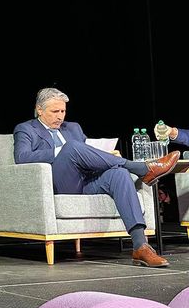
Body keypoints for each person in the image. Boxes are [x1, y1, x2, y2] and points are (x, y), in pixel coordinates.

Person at [13, 87, 180, 267]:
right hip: (59, 183)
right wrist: (59, 152)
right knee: (70, 148)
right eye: (55, 111)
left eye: (63, 111)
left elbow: (86, 154)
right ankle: (140, 168)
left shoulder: (73, 128)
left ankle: (140, 246)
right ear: (40, 110)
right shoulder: (26, 129)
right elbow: (22, 157)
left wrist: (107, 154)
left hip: (86, 182)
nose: (60, 116)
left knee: (119, 174)